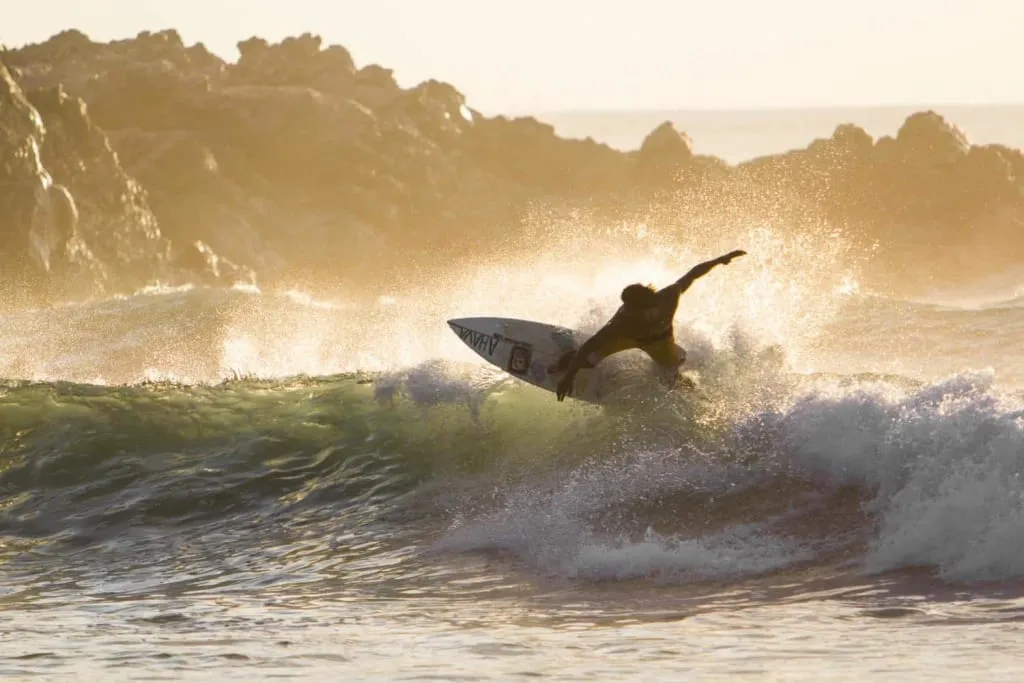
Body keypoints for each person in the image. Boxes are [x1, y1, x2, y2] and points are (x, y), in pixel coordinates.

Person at [554, 249, 747, 401]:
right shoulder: (622, 323)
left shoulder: (670, 296)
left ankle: (700, 398)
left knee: (672, 378)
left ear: (649, 306)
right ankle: (565, 362)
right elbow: (590, 344)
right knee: (588, 355)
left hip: (661, 342)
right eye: (627, 309)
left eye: (634, 310)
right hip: (628, 339)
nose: (629, 312)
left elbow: (692, 274)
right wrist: (569, 377)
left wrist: (720, 260)